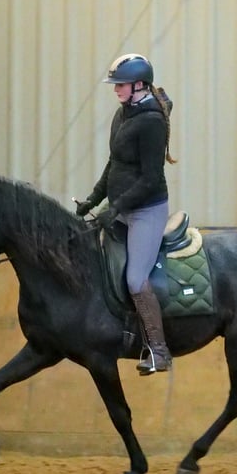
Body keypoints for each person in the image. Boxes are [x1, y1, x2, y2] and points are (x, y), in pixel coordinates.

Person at [76, 53, 177, 375]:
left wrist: (115, 207)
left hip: (146, 211)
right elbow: (114, 164)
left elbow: (149, 179)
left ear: (139, 85)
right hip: (120, 209)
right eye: (115, 85)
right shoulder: (124, 114)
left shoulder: (151, 122)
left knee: (135, 279)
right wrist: (93, 201)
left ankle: (159, 351)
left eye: (120, 85)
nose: (116, 90)